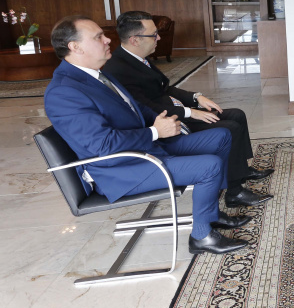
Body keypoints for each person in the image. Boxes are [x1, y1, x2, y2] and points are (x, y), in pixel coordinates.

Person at [44, 16, 249, 254]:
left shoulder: (97, 74)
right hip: (120, 169)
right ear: (75, 47)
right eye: (98, 37)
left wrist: (164, 120)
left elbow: (135, 108)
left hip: (144, 150)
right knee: (209, 166)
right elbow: (103, 145)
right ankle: (201, 236)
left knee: (221, 136)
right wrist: (154, 131)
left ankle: (210, 214)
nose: (107, 39)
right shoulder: (64, 92)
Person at [102, 11, 273, 208]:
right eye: (153, 34)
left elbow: (164, 89)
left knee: (236, 114)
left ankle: (240, 170)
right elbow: (146, 108)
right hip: (167, 125)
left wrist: (196, 97)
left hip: (175, 112)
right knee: (229, 127)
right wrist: (190, 112)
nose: (158, 38)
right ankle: (234, 192)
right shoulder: (119, 69)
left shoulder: (138, 57)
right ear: (134, 40)